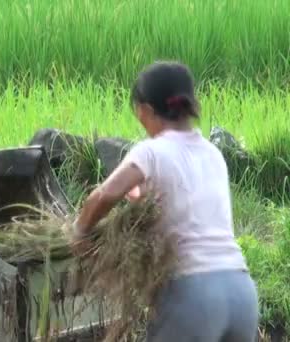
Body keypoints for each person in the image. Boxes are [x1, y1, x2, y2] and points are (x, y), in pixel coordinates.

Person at [65, 61, 259, 341]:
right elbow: (179, 200)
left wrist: (79, 231)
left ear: (145, 109)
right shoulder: (212, 154)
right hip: (240, 293)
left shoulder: (151, 152)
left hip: (194, 296)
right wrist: (138, 199)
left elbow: (104, 195)